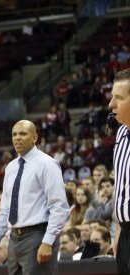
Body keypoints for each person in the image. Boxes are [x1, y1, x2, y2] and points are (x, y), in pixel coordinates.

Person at [0, 120, 70, 275]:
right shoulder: (11, 167)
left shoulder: (47, 164)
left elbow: (59, 207)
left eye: (23, 134)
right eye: (14, 134)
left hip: (38, 236)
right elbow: (5, 209)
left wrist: (48, 241)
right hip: (14, 239)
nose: (17, 138)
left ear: (34, 138)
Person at [108, 68, 130, 275]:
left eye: (118, 98)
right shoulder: (121, 133)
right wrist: (117, 232)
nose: (111, 104)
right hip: (124, 234)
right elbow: (120, 186)